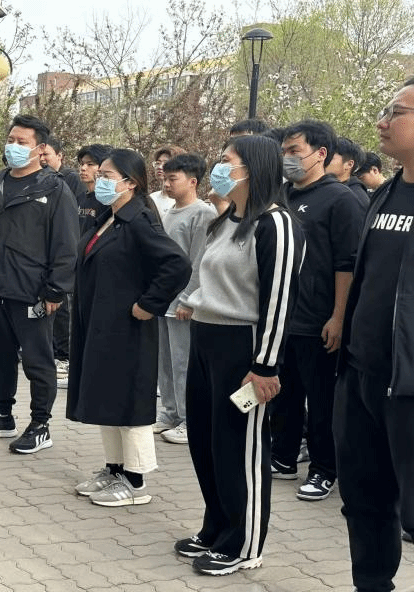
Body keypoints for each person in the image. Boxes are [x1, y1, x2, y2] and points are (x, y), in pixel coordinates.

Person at [175, 134, 303, 575]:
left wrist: (265, 366)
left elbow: (279, 300)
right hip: (206, 338)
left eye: (227, 160)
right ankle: (216, 526)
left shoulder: (275, 224)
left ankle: (244, 543)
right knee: (206, 441)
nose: (219, 166)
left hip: (244, 347)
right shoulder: (226, 220)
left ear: (253, 167)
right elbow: (208, 277)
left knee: (239, 446)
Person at [67, 148, 190, 506]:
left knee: (128, 401)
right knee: (108, 397)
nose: (99, 180)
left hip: (128, 328)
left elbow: (177, 265)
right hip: (102, 324)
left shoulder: (139, 220)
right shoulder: (109, 217)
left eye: (107, 175)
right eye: (100, 174)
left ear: (130, 183)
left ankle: (135, 482)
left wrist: (149, 304)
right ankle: (114, 469)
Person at [334, 78, 414, 591]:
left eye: (395, 112)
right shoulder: (384, 193)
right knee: (364, 501)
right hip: (361, 374)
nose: (381, 122)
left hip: (408, 387)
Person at [0, 114, 78, 454]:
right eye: (11, 140)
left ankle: (40, 424)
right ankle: (2, 415)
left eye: (22, 142)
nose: (13, 146)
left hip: (32, 291)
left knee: (37, 361)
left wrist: (55, 289)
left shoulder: (54, 188)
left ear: (40, 149)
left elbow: (66, 244)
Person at [271, 121, 362, 502]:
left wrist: (338, 317)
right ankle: (283, 457)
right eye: (285, 152)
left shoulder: (340, 199)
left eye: (295, 151)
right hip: (283, 317)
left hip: (320, 320)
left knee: (322, 401)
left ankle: (325, 469)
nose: (287, 158)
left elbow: (348, 264)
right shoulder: (282, 194)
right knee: (284, 394)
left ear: (320, 153)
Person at [153, 154, 215, 445]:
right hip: (163, 300)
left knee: (184, 363)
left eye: (173, 178)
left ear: (192, 181)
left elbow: (199, 259)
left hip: (182, 302)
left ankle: (190, 419)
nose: (167, 184)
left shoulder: (202, 213)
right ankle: (170, 413)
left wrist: (188, 298)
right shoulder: (169, 211)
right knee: (164, 362)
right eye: (165, 178)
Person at [41, 136, 86, 387]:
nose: (43, 159)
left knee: (62, 308)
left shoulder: (69, 180)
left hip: (65, 252)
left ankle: (63, 355)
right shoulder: (38, 180)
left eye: (47, 154)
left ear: (60, 156)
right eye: (40, 154)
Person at [76, 144, 114, 235]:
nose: (83, 168)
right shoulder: (80, 198)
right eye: (82, 164)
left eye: (90, 164)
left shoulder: (108, 200)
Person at [327, 136, 370, 211]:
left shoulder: (356, 198)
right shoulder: (324, 188)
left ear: (349, 164)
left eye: (330, 158)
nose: (324, 161)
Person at [149, 145, 185, 219]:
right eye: (158, 163)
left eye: (165, 163)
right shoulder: (151, 198)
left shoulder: (181, 201)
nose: (160, 167)